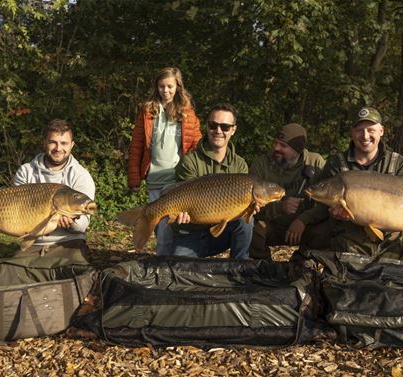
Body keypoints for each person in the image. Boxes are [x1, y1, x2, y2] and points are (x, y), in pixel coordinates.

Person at [303, 106, 403, 261]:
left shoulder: (398, 163)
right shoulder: (336, 163)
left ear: (381, 131)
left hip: (391, 238)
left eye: (371, 130)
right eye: (359, 130)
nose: (365, 135)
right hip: (350, 237)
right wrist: (333, 214)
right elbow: (324, 207)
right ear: (352, 132)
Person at [0, 119, 95, 262]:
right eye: (53, 142)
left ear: (72, 145)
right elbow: (15, 214)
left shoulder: (81, 176)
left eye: (64, 143)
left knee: (77, 273)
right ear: (45, 143)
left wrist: (71, 223)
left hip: (69, 243)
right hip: (34, 243)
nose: (58, 148)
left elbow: (82, 225)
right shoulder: (26, 171)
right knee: (13, 273)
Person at [126, 67, 202, 255]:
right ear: (156, 87)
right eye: (161, 86)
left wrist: (196, 176)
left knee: (172, 225)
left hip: (177, 180)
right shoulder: (148, 112)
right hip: (154, 179)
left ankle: (172, 259)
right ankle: (162, 259)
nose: (165, 90)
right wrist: (134, 178)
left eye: (169, 86)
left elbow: (196, 145)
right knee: (159, 226)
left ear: (178, 87)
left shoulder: (187, 113)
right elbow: (136, 145)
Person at [171, 103, 251, 259]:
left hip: (221, 235)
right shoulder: (190, 161)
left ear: (233, 130)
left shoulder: (240, 165)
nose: (218, 131)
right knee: (180, 272)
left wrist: (248, 210)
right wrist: (180, 214)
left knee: (247, 222)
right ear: (206, 126)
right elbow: (181, 197)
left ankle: (240, 269)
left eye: (225, 127)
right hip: (190, 234)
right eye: (213, 125)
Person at [249, 123, 326, 260]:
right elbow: (250, 206)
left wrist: (303, 219)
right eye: (275, 143)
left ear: (298, 149)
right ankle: (262, 269)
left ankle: (304, 266)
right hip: (271, 224)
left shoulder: (315, 162)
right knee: (252, 229)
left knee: (325, 231)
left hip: (304, 226)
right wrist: (280, 207)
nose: (276, 148)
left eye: (283, 146)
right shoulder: (261, 165)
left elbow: (327, 203)